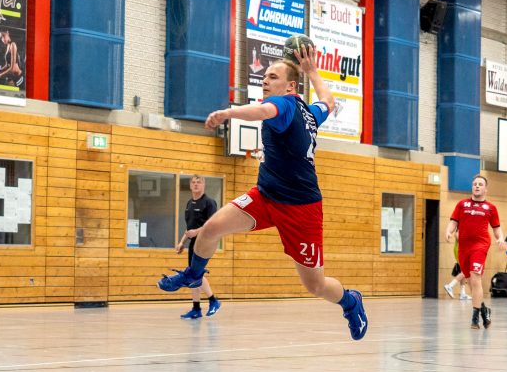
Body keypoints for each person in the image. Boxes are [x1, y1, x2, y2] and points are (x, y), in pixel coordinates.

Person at [155, 47, 368, 340]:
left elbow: (264, 111)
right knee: (210, 228)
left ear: (290, 86)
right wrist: (313, 71)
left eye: (272, 76)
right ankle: (194, 274)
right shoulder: (309, 113)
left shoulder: (285, 106)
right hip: (266, 196)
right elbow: (328, 102)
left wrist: (227, 112)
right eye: (264, 76)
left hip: (301, 209)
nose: (264, 80)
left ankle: (350, 301)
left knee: (315, 286)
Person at [445, 175, 507, 329]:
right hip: (463, 247)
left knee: (475, 276)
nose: (477, 186)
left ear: (485, 188)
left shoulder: (491, 208)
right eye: (474, 184)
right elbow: (454, 222)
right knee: (471, 281)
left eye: (480, 184)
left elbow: (497, 228)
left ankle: (475, 316)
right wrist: (449, 231)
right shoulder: (462, 204)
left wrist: (500, 238)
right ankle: (484, 310)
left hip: (480, 246)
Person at [175, 175, 221, 319]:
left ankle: (213, 300)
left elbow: (213, 225)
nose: (196, 185)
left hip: (205, 242)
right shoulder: (189, 203)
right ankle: (196, 308)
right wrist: (182, 242)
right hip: (193, 243)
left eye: (198, 182)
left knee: (196, 274)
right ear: (190, 186)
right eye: (193, 183)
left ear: (203, 185)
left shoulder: (209, 203)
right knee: (192, 275)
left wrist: (196, 232)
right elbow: (190, 228)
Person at [443, 235, 472, 300]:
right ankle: (450, 286)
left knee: (463, 271)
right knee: (465, 271)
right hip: (461, 250)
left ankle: (462, 293)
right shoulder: (462, 226)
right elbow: (457, 235)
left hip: (461, 249)